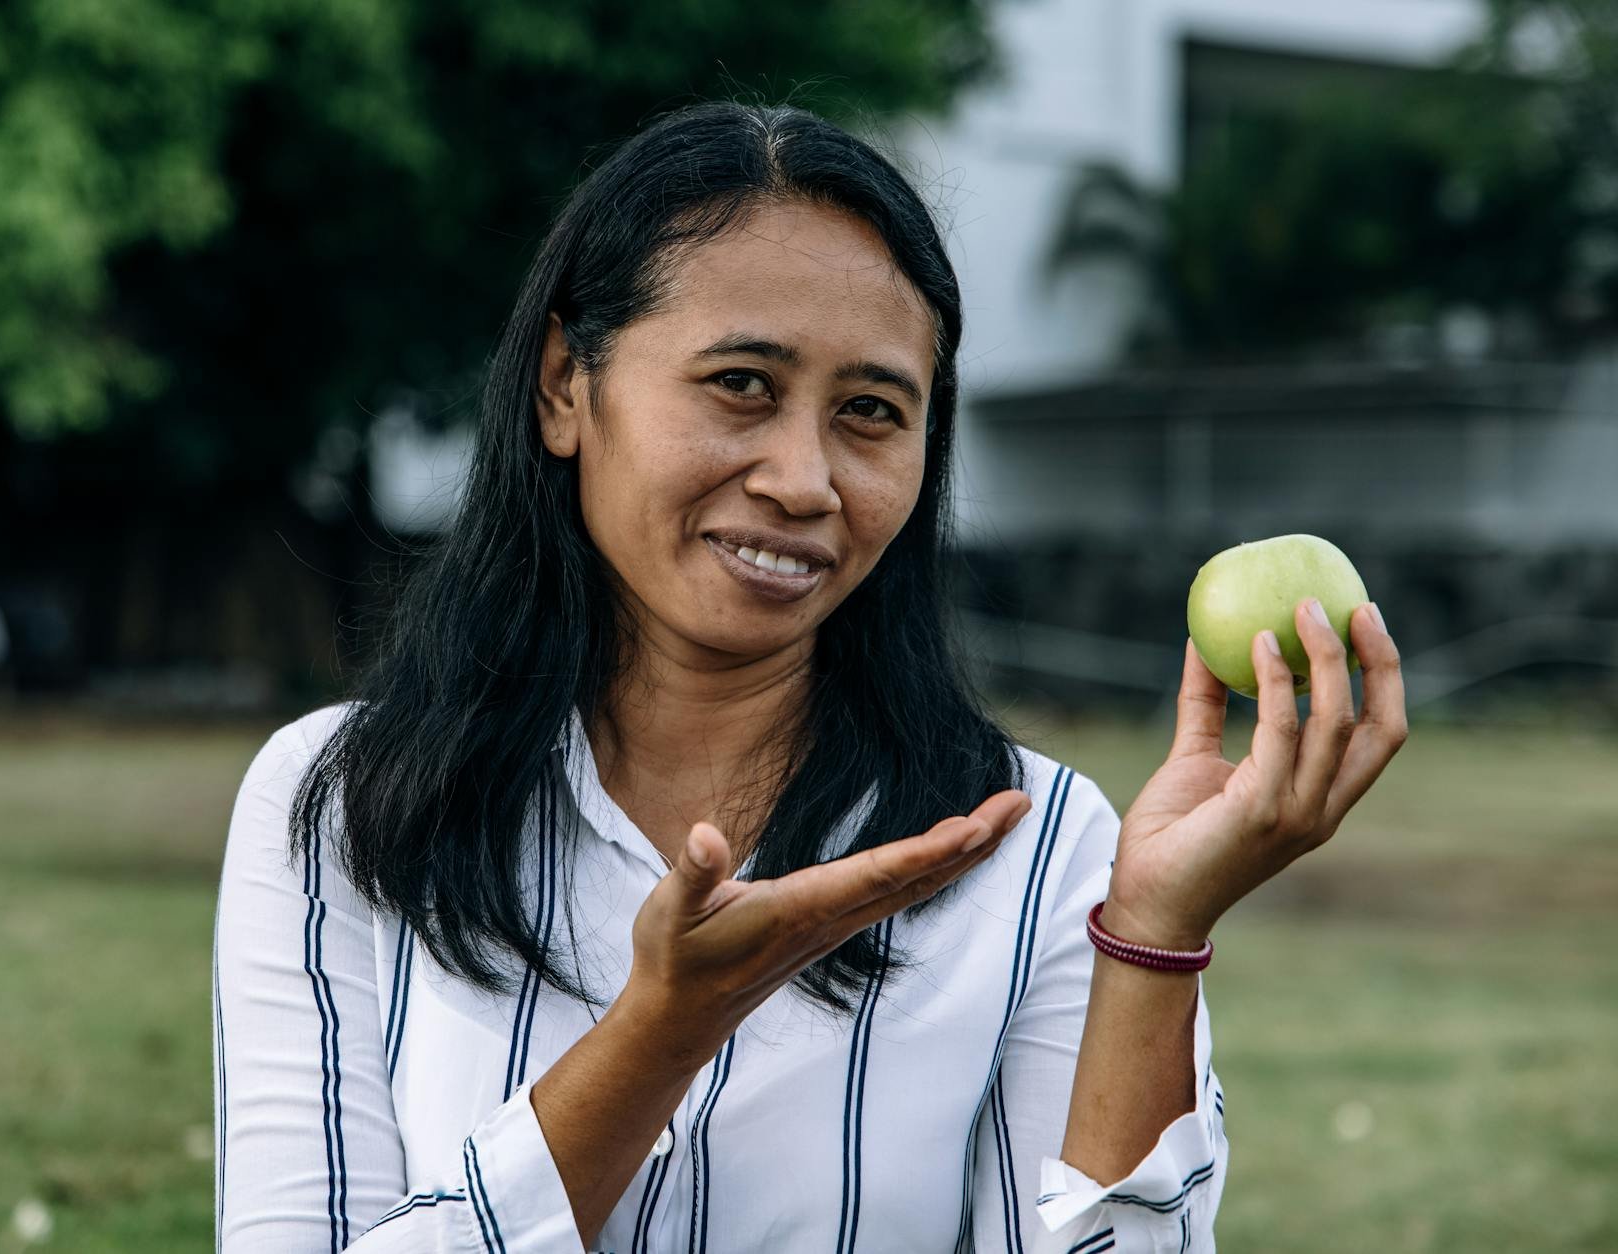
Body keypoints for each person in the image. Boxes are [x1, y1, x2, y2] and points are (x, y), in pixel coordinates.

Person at [211, 99, 1407, 1254]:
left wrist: (1152, 936)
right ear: (564, 388)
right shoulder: (340, 801)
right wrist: (657, 1036)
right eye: (740, 384)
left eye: (870, 410)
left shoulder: (1035, 853)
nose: (803, 477)